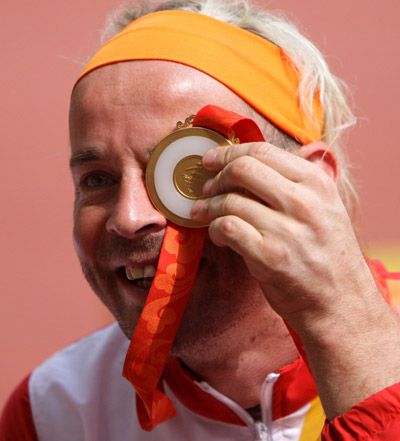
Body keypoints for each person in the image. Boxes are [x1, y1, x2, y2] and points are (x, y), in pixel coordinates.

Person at [2, 0, 400, 439]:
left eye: (186, 173)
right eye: (97, 179)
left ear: (313, 187)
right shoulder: (53, 413)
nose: (129, 217)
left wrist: (357, 346)